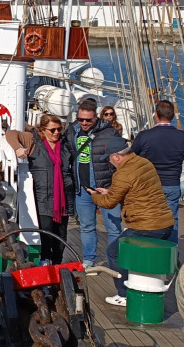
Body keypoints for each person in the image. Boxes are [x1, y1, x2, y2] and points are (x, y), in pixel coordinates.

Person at [89, 149, 175, 307]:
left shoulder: (122, 173)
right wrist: (110, 192)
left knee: (113, 252)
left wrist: (95, 195)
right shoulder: (144, 163)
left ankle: (123, 294)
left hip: (147, 226)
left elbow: (108, 203)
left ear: (117, 156)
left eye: (109, 158)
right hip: (165, 222)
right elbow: (135, 190)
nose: (109, 162)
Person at [63, 99, 127, 267]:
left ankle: (115, 259)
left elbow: (121, 160)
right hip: (82, 189)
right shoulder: (72, 131)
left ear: (96, 118)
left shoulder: (109, 133)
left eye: (88, 120)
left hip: (106, 187)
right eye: (81, 119)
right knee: (86, 226)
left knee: (113, 227)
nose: (84, 123)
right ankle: (89, 258)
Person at [5, 114, 73, 265]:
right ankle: (44, 261)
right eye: (52, 130)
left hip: (63, 199)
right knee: (46, 234)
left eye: (59, 129)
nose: (57, 133)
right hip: (43, 196)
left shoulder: (64, 144)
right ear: (43, 130)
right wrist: (18, 149)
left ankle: (57, 265)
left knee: (61, 237)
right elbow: (10, 134)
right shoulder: (33, 140)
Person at [129, 100, 184, 243]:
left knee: (148, 220)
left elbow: (132, 156)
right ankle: (171, 257)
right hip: (172, 184)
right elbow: (183, 155)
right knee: (172, 220)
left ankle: (149, 252)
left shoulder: (145, 136)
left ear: (156, 115)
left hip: (149, 186)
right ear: (173, 116)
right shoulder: (182, 137)